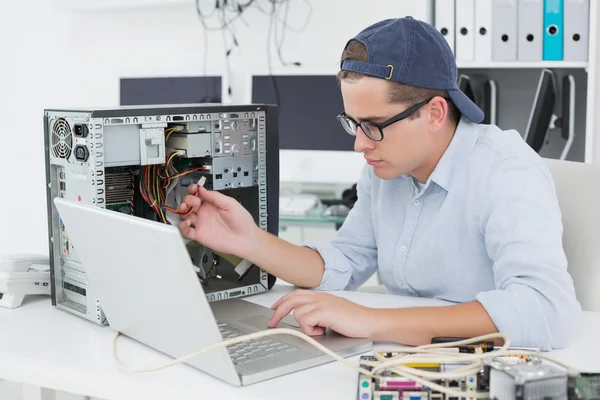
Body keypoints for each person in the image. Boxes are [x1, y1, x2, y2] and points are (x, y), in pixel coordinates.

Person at [177, 16, 580, 350]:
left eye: (373, 126)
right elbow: (344, 264)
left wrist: (371, 319)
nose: (358, 144)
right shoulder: (385, 169)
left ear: (435, 113)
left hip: (484, 366)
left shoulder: (506, 172)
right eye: (353, 123)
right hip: (402, 356)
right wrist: (248, 241)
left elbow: (546, 310)